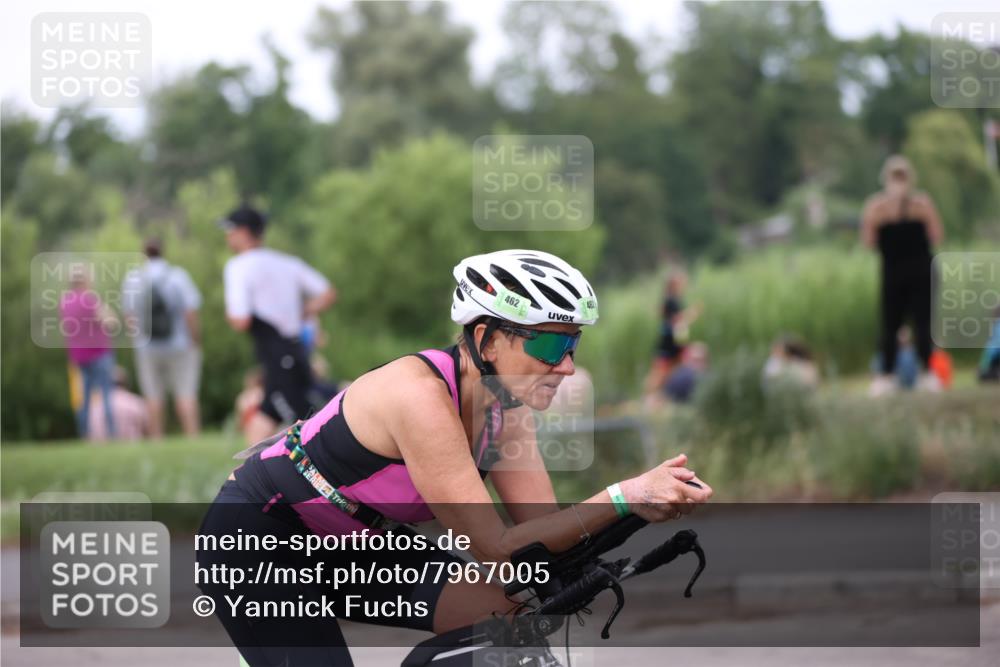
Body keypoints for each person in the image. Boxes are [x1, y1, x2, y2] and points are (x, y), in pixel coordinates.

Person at [197, 249, 713, 666]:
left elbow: (542, 539)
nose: (567, 368)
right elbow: (498, 548)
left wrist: (633, 512)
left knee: (504, 614)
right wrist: (624, 495)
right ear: (486, 339)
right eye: (552, 348)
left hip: (351, 540)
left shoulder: (505, 410)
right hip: (259, 543)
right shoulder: (419, 398)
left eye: (573, 345)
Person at [220, 205, 337, 443]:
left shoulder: (238, 266)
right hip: (295, 351)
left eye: (230, 231)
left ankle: (325, 472)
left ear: (243, 232)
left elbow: (240, 320)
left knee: (304, 428)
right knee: (268, 412)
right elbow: (328, 294)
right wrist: (303, 311)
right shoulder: (287, 262)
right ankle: (246, 476)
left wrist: (231, 316)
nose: (227, 236)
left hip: (275, 354)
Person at [861, 155, 944, 397]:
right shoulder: (875, 207)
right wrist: (887, 213)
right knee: (889, 323)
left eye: (902, 176)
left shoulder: (922, 204)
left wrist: (912, 210)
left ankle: (927, 373)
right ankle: (887, 375)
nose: (899, 181)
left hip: (920, 271)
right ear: (886, 179)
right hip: (892, 272)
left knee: (922, 323)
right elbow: (868, 242)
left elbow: (937, 235)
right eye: (894, 176)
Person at [122, 239, 203, 437]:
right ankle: (192, 436)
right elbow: (190, 312)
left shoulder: (133, 278)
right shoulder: (177, 276)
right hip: (180, 344)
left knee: (153, 396)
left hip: (147, 347)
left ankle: (157, 438)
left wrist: (138, 339)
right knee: (186, 395)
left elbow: (129, 317)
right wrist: (195, 340)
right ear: (163, 251)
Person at [59, 264, 117, 438]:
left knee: (83, 397)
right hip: (99, 353)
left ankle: (85, 433)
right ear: (85, 280)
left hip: (78, 355)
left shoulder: (65, 302)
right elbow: (110, 322)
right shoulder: (91, 299)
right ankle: (111, 433)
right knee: (106, 393)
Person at [643, 269, 702, 402]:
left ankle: (662, 397)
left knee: (673, 370)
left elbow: (663, 315)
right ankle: (649, 397)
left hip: (675, 341)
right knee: (660, 372)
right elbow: (677, 320)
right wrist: (692, 313)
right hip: (670, 342)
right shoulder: (671, 300)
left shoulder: (672, 299)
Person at [87, 366, 150, 442]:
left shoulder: (94, 405)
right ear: (126, 382)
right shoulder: (136, 402)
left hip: (101, 447)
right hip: (132, 446)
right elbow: (147, 428)